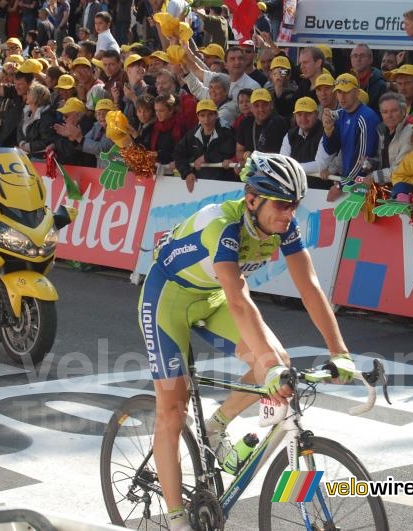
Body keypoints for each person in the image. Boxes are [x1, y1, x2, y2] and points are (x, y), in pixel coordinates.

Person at [138, 151, 354, 531]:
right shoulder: (222, 225)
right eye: (283, 204)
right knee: (173, 408)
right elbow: (239, 300)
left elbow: (310, 286)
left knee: (277, 361)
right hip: (168, 298)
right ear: (252, 199)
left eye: (295, 205)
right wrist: (268, 367)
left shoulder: (282, 226)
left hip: (212, 297)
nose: (289, 214)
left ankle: (217, 425)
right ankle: (174, 519)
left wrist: (340, 351)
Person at [319, 73, 381, 199]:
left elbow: (362, 162)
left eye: (346, 92)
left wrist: (341, 186)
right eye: (339, 92)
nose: (342, 97)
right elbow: (331, 149)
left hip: (364, 187)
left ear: (357, 93)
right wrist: (328, 130)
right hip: (349, 182)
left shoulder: (366, 117)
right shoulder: (341, 114)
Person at [174, 99, 237, 193]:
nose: (206, 119)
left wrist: (205, 157)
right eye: (202, 115)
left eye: (210, 115)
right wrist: (187, 173)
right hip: (199, 185)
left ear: (216, 115)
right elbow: (178, 153)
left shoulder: (226, 131)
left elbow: (228, 150)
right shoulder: (192, 134)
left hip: (225, 186)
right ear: (197, 117)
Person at [366, 92, 413, 185]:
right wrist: (370, 163)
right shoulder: (382, 130)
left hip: (403, 189)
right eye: (385, 112)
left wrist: (374, 176)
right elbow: (384, 160)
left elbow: (400, 169)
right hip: (386, 186)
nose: (389, 115)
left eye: (394, 111)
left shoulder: (410, 132)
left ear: (403, 111)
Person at [235, 88, 288, 163]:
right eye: (256, 105)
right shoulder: (245, 123)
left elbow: (275, 155)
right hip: (253, 170)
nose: (261, 109)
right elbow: (239, 150)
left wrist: (253, 157)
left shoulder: (279, 123)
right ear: (251, 108)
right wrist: (244, 159)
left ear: (271, 105)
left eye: (265, 104)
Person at [280, 96, 324, 186]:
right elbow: (282, 161)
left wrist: (294, 168)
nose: (303, 118)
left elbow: (320, 165)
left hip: (320, 190)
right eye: (299, 114)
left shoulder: (325, 133)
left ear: (316, 114)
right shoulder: (290, 135)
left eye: (307, 114)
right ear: (295, 116)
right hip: (296, 189)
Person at [350, 43, 386, 112]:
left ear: (370, 59)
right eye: (355, 56)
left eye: (362, 55)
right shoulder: (346, 81)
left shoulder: (380, 85)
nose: (358, 59)